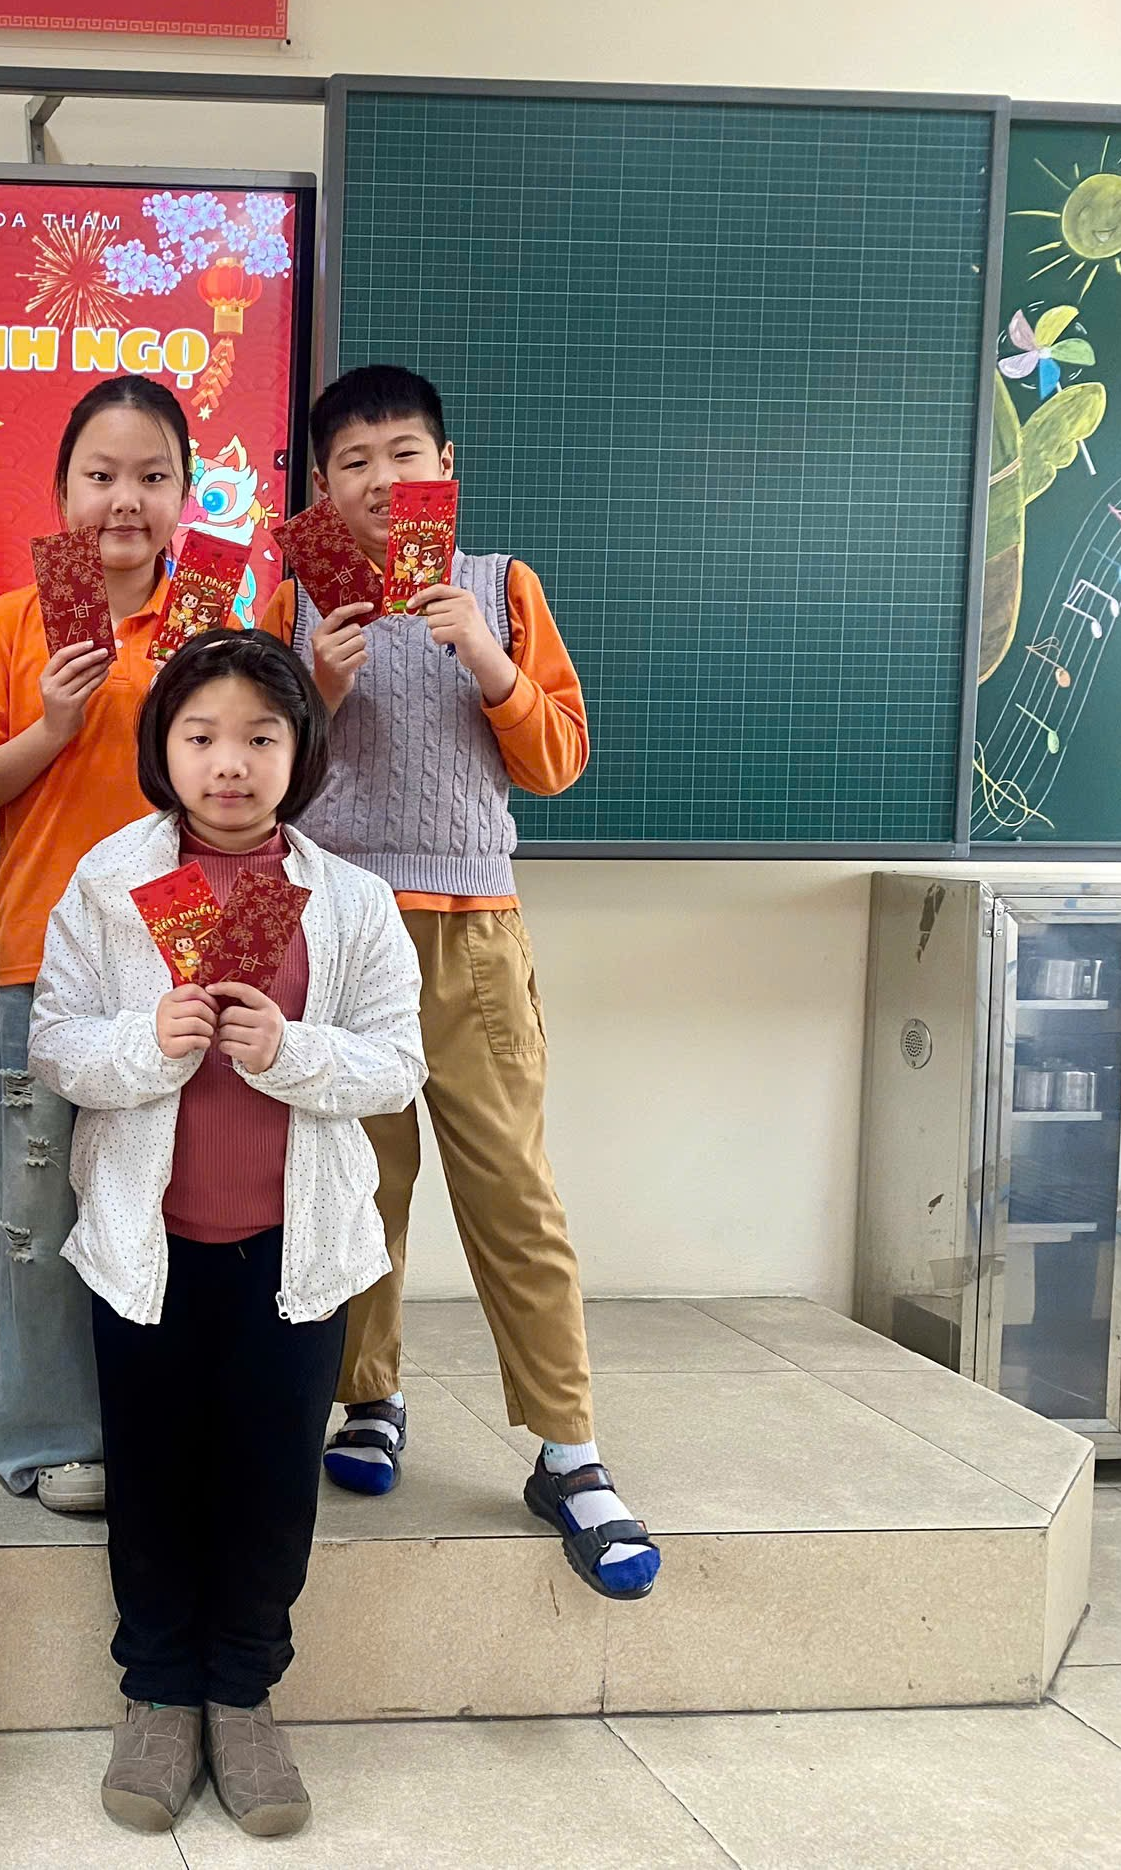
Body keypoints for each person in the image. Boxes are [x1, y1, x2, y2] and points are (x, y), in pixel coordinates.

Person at [274, 365, 659, 1602]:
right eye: (354, 463)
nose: (383, 480)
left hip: (473, 937)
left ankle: (569, 1448)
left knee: (512, 1190)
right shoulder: (294, 602)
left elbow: (558, 761)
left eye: (406, 455)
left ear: (446, 468)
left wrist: (487, 658)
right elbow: (249, 785)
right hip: (338, 937)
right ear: (321, 488)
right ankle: (369, 1398)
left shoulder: (502, 586)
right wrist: (318, 688)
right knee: (357, 1189)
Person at [31, 629, 425, 1837]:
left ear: (302, 750)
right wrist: (145, 1041)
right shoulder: (110, 881)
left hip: (294, 1255)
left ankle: (244, 1696)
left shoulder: (349, 899)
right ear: (165, 749)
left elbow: (398, 1065)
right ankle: (157, 1693)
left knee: (269, 1481)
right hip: (146, 1249)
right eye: (201, 736)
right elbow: (56, 1044)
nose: (231, 763)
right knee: (153, 1475)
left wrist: (289, 1050)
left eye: (261, 735)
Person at [0, 374, 195, 1515]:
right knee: (37, 1210)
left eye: (152, 476)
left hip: (181, 956)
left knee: (171, 1198)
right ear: (60, 495)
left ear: (186, 494)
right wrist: (54, 721)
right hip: (41, 956)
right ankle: (49, 1437)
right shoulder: (13, 624)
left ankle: (161, 1426)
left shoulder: (212, 625)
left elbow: (256, 776)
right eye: (101, 476)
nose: (125, 500)